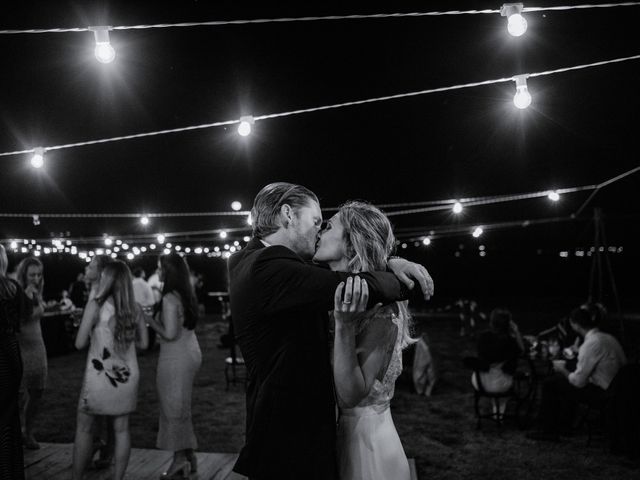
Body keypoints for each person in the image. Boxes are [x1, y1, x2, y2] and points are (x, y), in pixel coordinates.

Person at [228, 182, 433, 480]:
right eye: (315, 222)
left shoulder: (247, 260)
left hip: (339, 441)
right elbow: (351, 284)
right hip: (290, 439)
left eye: (325, 226)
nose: (319, 230)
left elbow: (343, 277)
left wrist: (388, 259)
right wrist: (397, 276)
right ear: (288, 215)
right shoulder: (269, 266)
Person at [313, 200, 417, 480]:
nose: (319, 232)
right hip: (343, 438)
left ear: (351, 244)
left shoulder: (381, 312)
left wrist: (344, 326)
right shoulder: (336, 290)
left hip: (368, 449)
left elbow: (350, 395)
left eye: (328, 226)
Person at [72, 260, 148, 480]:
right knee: (122, 429)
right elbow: (144, 344)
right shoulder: (135, 308)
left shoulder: (96, 305)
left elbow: (78, 344)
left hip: (99, 375)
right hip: (126, 375)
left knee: (85, 428)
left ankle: (76, 477)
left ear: (106, 279)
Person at [528, 303, 627, 441]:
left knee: (551, 383)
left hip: (605, 393)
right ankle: (564, 425)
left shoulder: (591, 343)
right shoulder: (608, 338)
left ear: (575, 324)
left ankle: (548, 430)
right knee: (564, 382)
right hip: (620, 388)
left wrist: (562, 370)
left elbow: (579, 382)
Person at [147, 253, 202, 478]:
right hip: (189, 350)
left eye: (160, 268)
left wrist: (148, 320)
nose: (158, 272)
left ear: (169, 271)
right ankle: (189, 456)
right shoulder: (184, 293)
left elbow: (169, 333)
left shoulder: (170, 298)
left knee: (173, 408)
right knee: (180, 406)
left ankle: (179, 460)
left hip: (176, 356)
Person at [83, 255, 116, 468]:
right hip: (97, 353)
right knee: (98, 408)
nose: (87, 267)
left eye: (91, 265)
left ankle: (104, 450)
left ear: (101, 271)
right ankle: (99, 445)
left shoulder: (101, 294)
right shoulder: (94, 291)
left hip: (104, 356)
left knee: (106, 409)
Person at [0, 245, 28, 480]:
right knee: (9, 418)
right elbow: (21, 320)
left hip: (2, 356)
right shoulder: (12, 289)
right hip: (11, 354)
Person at [15, 257, 47, 450]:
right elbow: (18, 321)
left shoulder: (37, 291)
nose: (36, 278)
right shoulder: (17, 292)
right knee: (18, 395)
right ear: (24, 275)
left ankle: (28, 431)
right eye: (32, 274)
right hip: (21, 347)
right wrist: (26, 298)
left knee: (38, 391)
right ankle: (16, 433)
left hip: (38, 346)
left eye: (38, 274)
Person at [471, 308, 524, 418]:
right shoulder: (509, 341)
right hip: (497, 384)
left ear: (492, 322)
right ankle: (498, 413)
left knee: (496, 373)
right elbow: (522, 351)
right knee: (506, 379)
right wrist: (516, 331)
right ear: (508, 324)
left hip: (478, 380)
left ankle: (496, 407)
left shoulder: (482, 336)